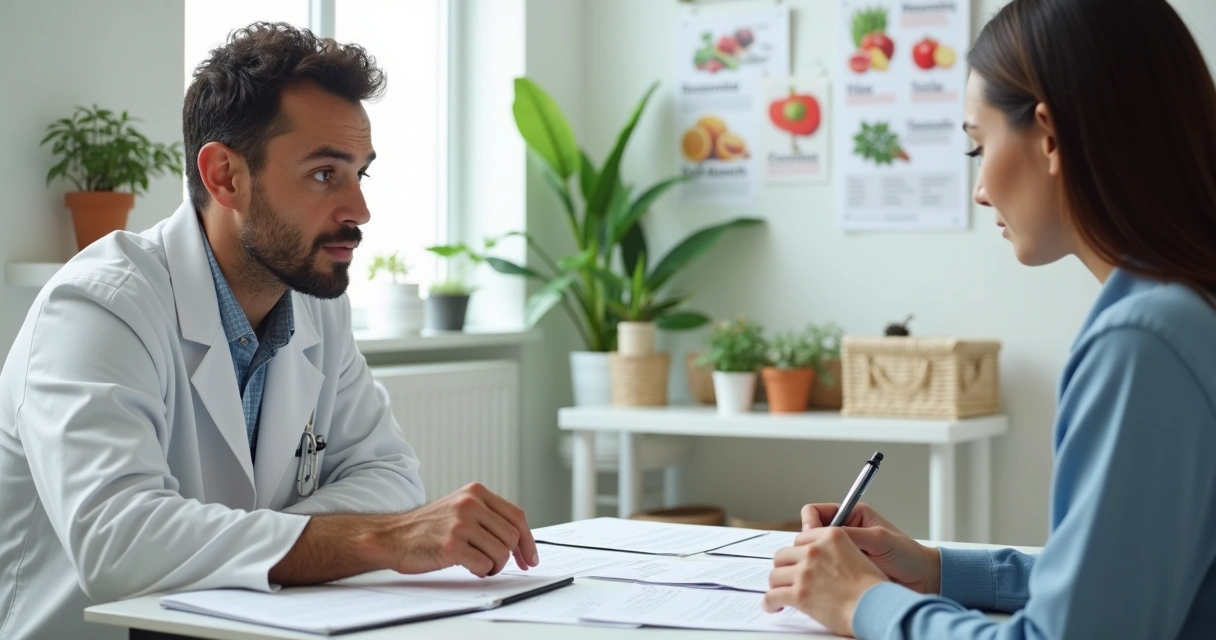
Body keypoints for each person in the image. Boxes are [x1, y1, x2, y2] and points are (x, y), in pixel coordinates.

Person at [0, 23, 538, 640]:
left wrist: (252, 543)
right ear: (224, 176)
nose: (359, 210)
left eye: (360, 174)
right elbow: (119, 543)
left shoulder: (314, 303)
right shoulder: (99, 307)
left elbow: (390, 477)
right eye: (323, 174)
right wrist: (377, 539)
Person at [763, 0, 1216, 637]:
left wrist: (861, 602)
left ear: (1050, 135)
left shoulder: (1144, 343)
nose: (978, 189)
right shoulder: (1190, 309)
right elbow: (1127, 582)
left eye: (978, 146)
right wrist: (938, 569)